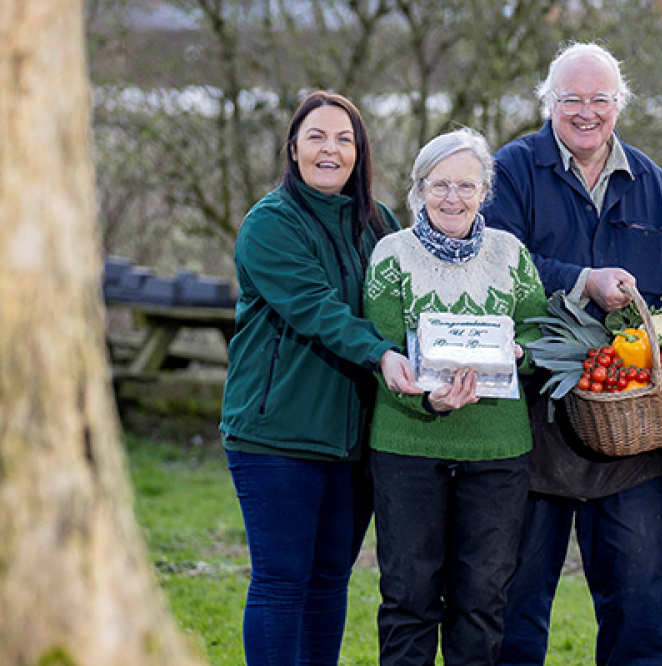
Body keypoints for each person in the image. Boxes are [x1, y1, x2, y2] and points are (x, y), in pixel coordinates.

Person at [482, 43, 662, 665]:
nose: (586, 112)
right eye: (570, 99)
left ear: (619, 105)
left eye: (600, 100)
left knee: (637, 604)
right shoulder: (513, 170)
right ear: (547, 103)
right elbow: (494, 262)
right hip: (530, 425)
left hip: (628, 431)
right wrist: (582, 280)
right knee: (515, 604)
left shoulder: (653, 184)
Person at [219, 91, 420, 666]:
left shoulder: (378, 222)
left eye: (344, 139)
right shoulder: (269, 225)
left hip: (354, 440)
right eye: (317, 137)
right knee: (282, 582)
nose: (330, 149)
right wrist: (384, 357)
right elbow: (318, 309)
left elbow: (408, 300)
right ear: (293, 149)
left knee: (330, 581)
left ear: (358, 153)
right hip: (278, 436)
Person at [363, 127, 549, 665]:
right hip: (408, 447)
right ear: (418, 190)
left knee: (482, 601)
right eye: (439, 185)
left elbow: (540, 337)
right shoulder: (391, 255)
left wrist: (519, 355)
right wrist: (425, 400)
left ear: (485, 190)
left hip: (496, 451)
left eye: (466, 186)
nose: (452, 198)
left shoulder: (509, 255)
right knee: (408, 599)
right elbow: (382, 354)